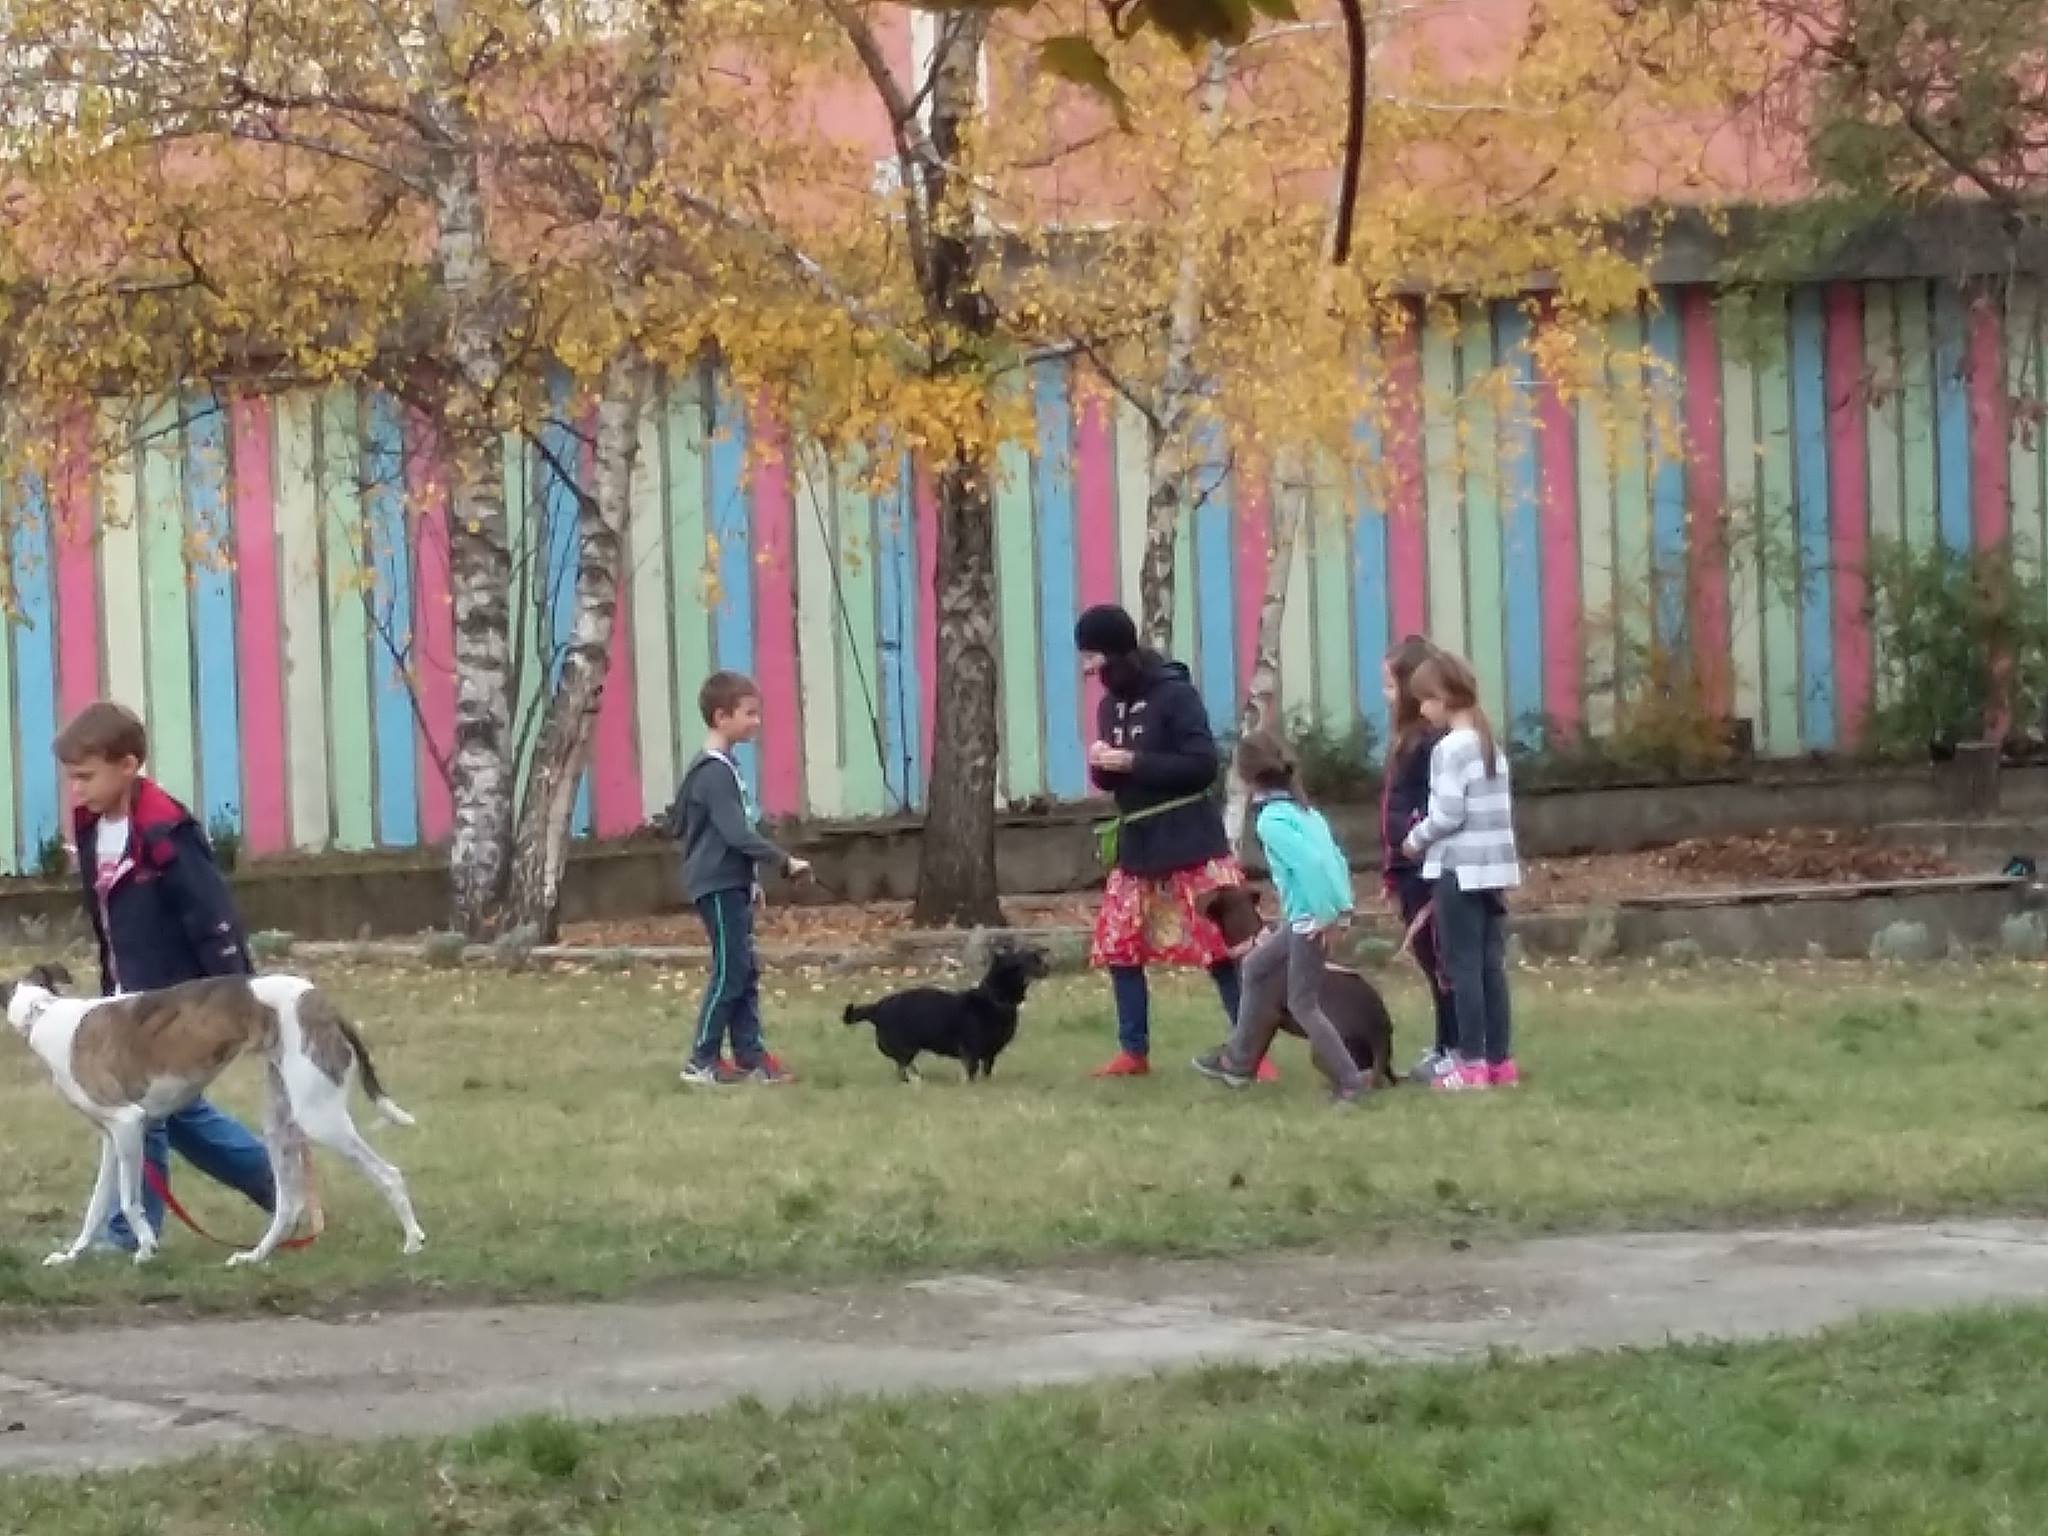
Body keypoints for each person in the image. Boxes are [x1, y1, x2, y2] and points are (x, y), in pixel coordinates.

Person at [55, 701, 277, 1250]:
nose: (76, 791)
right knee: (180, 1117)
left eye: (86, 777)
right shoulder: (91, 828)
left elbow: (212, 913)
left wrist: (238, 992)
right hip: (126, 997)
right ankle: (279, 1183)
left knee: (137, 1110)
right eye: (72, 779)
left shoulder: (164, 830)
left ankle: (129, 1235)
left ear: (127, 765)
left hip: (178, 1003)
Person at [1075, 603, 1264, 1079]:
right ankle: (1132, 1051)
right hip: (1137, 845)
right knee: (1119, 946)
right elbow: (1112, 781)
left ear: (1116, 652)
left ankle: (1249, 1049)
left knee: (1220, 946)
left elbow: (1202, 765)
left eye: (1092, 655)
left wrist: (1133, 762)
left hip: (1190, 842)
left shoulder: (1176, 696)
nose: (1087, 668)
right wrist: (1103, 765)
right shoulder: (1108, 705)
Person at [1192, 732, 1366, 1106]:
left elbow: (1315, 865)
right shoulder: (1305, 811)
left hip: (1308, 922)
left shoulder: (1271, 820)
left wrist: (1326, 916)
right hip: (1307, 918)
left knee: (1303, 1004)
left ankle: (1350, 1081)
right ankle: (1238, 1064)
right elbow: (1335, 860)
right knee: (1255, 965)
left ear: (1246, 776)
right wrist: (1343, 909)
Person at [671, 671, 810, 1086]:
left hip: (730, 883)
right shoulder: (713, 772)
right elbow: (735, 834)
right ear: (721, 716)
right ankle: (702, 1061)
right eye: (749, 714)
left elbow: (728, 836)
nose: (757, 722)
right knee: (730, 972)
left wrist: (750, 881)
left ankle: (750, 1057)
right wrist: (784, 861)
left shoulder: (726, 767)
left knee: (744, 969)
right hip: (715, 885)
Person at [1401, 652, 1523, 1091]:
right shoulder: (1490, 745)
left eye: (1425, 701)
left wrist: (1414, 840)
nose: (1421, 710)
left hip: (1457, 869)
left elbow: (1448, 813)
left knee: (1462, 968)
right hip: (1492, 870)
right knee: (1491, 966)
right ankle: (1499, 1061)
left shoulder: (1450, 749)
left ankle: (1470, 1063)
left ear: (1444, 697)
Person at [1380, 635, 1460, 1083]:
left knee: (1443, 964)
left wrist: (1411, 846)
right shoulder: (1407, 742)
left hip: (1426, 869)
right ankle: (1447, 1044)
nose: (1386, 696)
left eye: (1391, 687)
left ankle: (1457, 1048)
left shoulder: (1431, 744)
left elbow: (1434, 808)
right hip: (1407, 867)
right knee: (1432, 964)